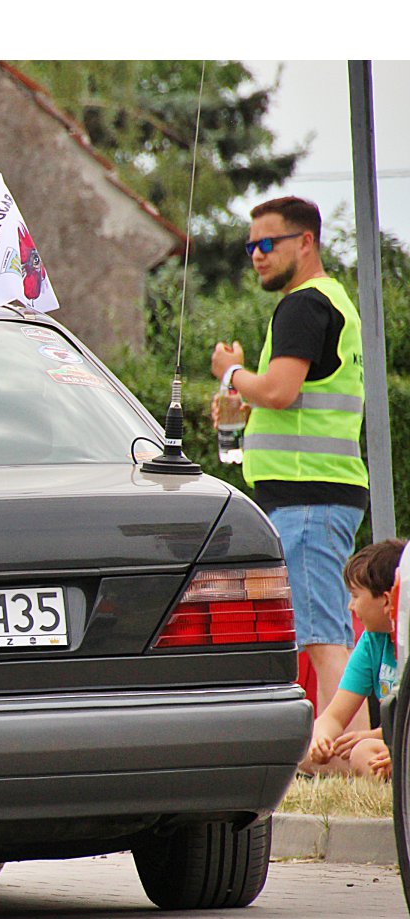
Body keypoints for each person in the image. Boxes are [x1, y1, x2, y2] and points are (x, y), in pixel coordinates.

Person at [210, 196, 369, 716]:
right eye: (251, 246)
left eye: (267, 244)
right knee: (322, 627)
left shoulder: (303, 304)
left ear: (305, 242)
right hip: (319, 487)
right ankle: (340, 753)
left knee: (323, 634)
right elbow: (292, 402)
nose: (256, 255)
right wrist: (243, 407)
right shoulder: (333, 300)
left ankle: (351, 753)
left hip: (309, 493)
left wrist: (231, 374)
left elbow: (278, 391)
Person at [301, 538, 403, 779]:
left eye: (355, 596)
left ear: (387, 600)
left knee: (363, 751)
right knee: (304, 752)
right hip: (395, 742)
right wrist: (321, 738)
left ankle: (396, 770)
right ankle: (394, 772)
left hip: (401, 742)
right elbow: (334, 715)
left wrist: (376, 736)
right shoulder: (371, 642)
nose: (350, 606)